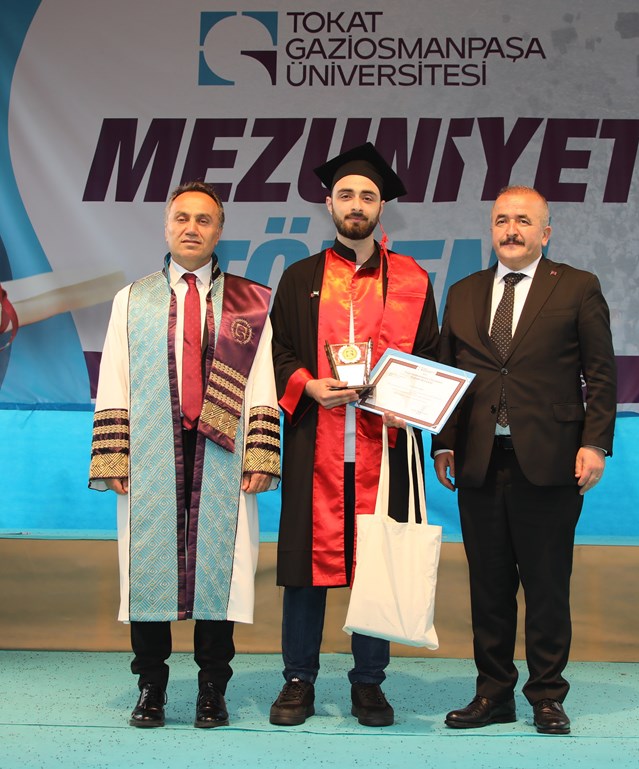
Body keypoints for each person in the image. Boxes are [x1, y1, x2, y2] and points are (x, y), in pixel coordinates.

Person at [88, 181, 280, 729]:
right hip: (152, 450)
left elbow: (262, 378)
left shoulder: (249, 301)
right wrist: (114, 455)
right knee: (147, 565)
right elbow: (114, 378)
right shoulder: (132, 299)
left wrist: (262, 453)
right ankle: (151, 687)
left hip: (224, 451)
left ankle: (212, 688)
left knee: (221, 569)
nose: (191, 228)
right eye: (182, 218)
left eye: (203, 219)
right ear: (167, 225)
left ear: (219, 231)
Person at [432, 186, 617, 736]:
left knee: (546, 584)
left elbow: (601, 373)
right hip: (479, 461)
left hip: (553, 459)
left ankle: (547, 695)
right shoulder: (464, 292)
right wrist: (443, 443)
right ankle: (493, 694)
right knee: (488, 586)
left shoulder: (578, 286)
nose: (511, 230)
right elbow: (447, 373)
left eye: (523, 221)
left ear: (546, 232)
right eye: (501, 220)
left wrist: (595, 442)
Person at [268, 142, 439, 728]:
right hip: (315, 438)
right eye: (346, 195)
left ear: (382, 206)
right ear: (329, 204)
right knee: (304, 568)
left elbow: (431, 357)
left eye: (368, 195)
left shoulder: (412, 280)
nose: (356, 204)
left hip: (385, 445)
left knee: (378, 560)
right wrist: (307, 385)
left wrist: (409, 403)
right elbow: (278, 352)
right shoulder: (300, 278)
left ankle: (369, 682)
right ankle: (298, 679)